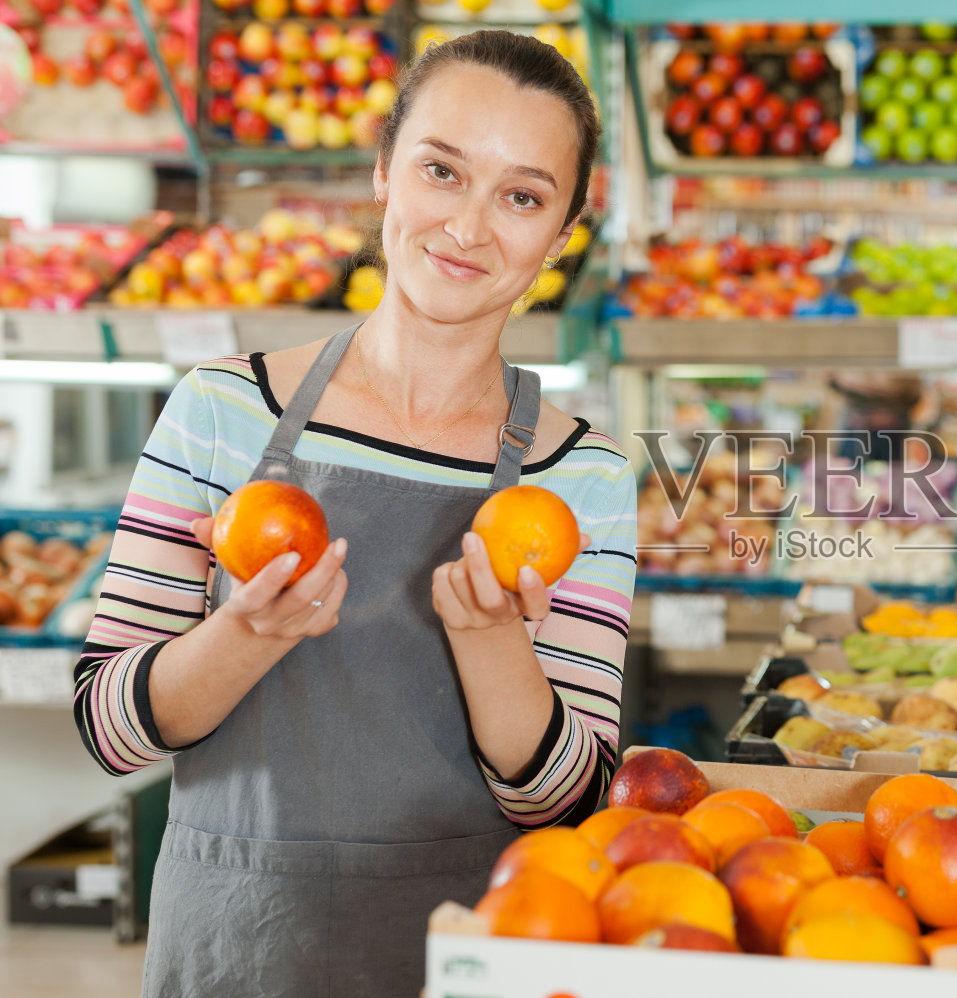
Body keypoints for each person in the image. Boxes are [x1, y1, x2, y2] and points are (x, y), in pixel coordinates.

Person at [70, 32, 635, 997]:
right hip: (234, 949)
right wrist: (243, 635)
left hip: (467, 953)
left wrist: (493, 641)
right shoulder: (220, 411)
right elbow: (109, 731)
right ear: (384, 172)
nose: (467, 226)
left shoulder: (580, 476)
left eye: (523, 196)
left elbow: (569, 799)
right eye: (441, 171)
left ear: (565, 231)